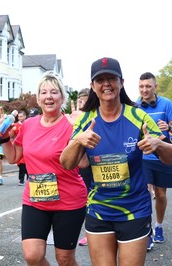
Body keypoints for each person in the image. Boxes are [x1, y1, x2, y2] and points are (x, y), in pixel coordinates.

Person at [60, 58, 172, 265]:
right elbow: (67, 163)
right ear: (93, 86)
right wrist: (77, 140)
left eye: (111, 78)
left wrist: (158, 145)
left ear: (121, 82)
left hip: (134, 209)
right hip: (99, 208)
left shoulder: (138, 116)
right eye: (100, 79)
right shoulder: (85, 120)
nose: (106, 84)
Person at [0, 72, 88, 265]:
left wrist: (79, 131)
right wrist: (3, 137)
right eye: (44, 92)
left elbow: (84, 164)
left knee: (64, 258)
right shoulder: (28, 125)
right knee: (32, 256)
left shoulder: (71, 124)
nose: (49, 96)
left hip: (68, 200)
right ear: (38, 98)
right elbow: (13, 157)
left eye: (54, 92)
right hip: (35, 200)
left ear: (62, 97)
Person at [136, 72, 172, 249]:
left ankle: (159, 226)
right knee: (146, 194)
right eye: (141, 87)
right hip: (143, 157)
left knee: (161, 194)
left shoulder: (166, 103)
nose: (144, 90)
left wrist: (169, 127)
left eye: (148, 86)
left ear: (155, 87)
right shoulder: (134, 106)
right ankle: (146, 232)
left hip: (162, 155)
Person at [76, 88, 92, 247]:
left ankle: (91, 233)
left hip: (94, 164)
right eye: (79, 101)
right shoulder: (73, 119)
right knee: (85, 199)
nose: (81, 104)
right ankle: (89, 232)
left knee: (92, 198)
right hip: (80, 165)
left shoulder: (93, 118)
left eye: (84, 101)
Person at [10, 110, 28, 186]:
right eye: (19, 116)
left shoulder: (28, 124)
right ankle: (22, 179)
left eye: (21, 116)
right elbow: (10, 136)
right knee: (21, 164)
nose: (20, 118)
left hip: (27, 146)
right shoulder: (15, 125)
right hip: (19, 147)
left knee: (27, 164)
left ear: (25, 116)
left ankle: (27, 179)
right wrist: (12, 131)